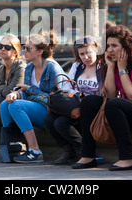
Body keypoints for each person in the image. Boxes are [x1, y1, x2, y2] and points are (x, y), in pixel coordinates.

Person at [72, 25, 132, 171]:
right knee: (89, 102)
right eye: (107, 46)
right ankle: (88, 155)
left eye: (114, 45)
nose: (110, 49)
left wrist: (122, 68)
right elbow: (110, 95)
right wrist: (111, 67)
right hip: (126, 108)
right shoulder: (113, 63)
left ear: (126, 47)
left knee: (114, 104)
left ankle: (127, 158)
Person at [0, 31, 65, 163]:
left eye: (28, 48)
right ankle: (13, 147)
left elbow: (57, 99)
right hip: (36, 108)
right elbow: (25, 92)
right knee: (5, 104)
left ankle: (35, 151)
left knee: (16, 105)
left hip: (51, 112)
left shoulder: (53, 68)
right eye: (24, 47)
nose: (24, 51)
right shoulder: (29, 68)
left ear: (40, 51)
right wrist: (16, 93)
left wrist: (30, 90)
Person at [44, 36, 103, 165]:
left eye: (89, 52)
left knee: (61, 123)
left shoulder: (102, 67)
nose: (85, 57)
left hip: (93, 106)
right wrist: (78, 95)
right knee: (48, 120)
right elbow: (67, 86)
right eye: (82, 54)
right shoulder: (77, 66)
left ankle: (84, 150)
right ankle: (68, 151)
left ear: (96, 51)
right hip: (76, 104)